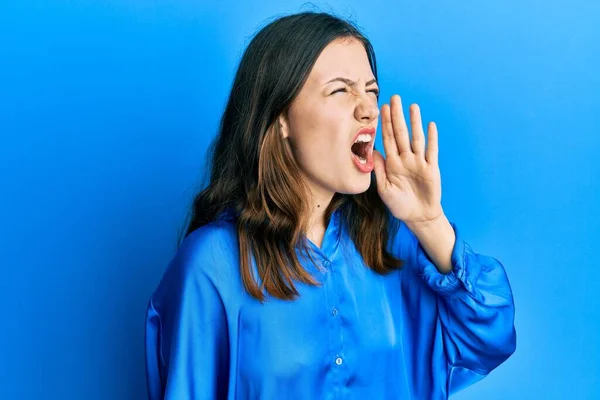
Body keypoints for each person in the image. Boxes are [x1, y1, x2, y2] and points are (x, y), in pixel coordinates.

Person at [144, 11, 516, 400]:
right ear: (281, 117)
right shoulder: (213, 263)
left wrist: (429, 221)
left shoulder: (393, 243)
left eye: (371, 90)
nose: (369, 108)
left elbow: (491, 337)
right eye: (341, 90)